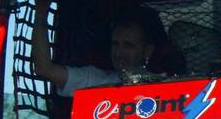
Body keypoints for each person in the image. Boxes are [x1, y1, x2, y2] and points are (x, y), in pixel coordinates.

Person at [30, 5, 170, 92]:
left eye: (128, 45)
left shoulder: (165, 85)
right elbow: (44, 69)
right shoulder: (96, 80)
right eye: (115, 44)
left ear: (147, 50)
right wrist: (41, 13)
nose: (119, 53)